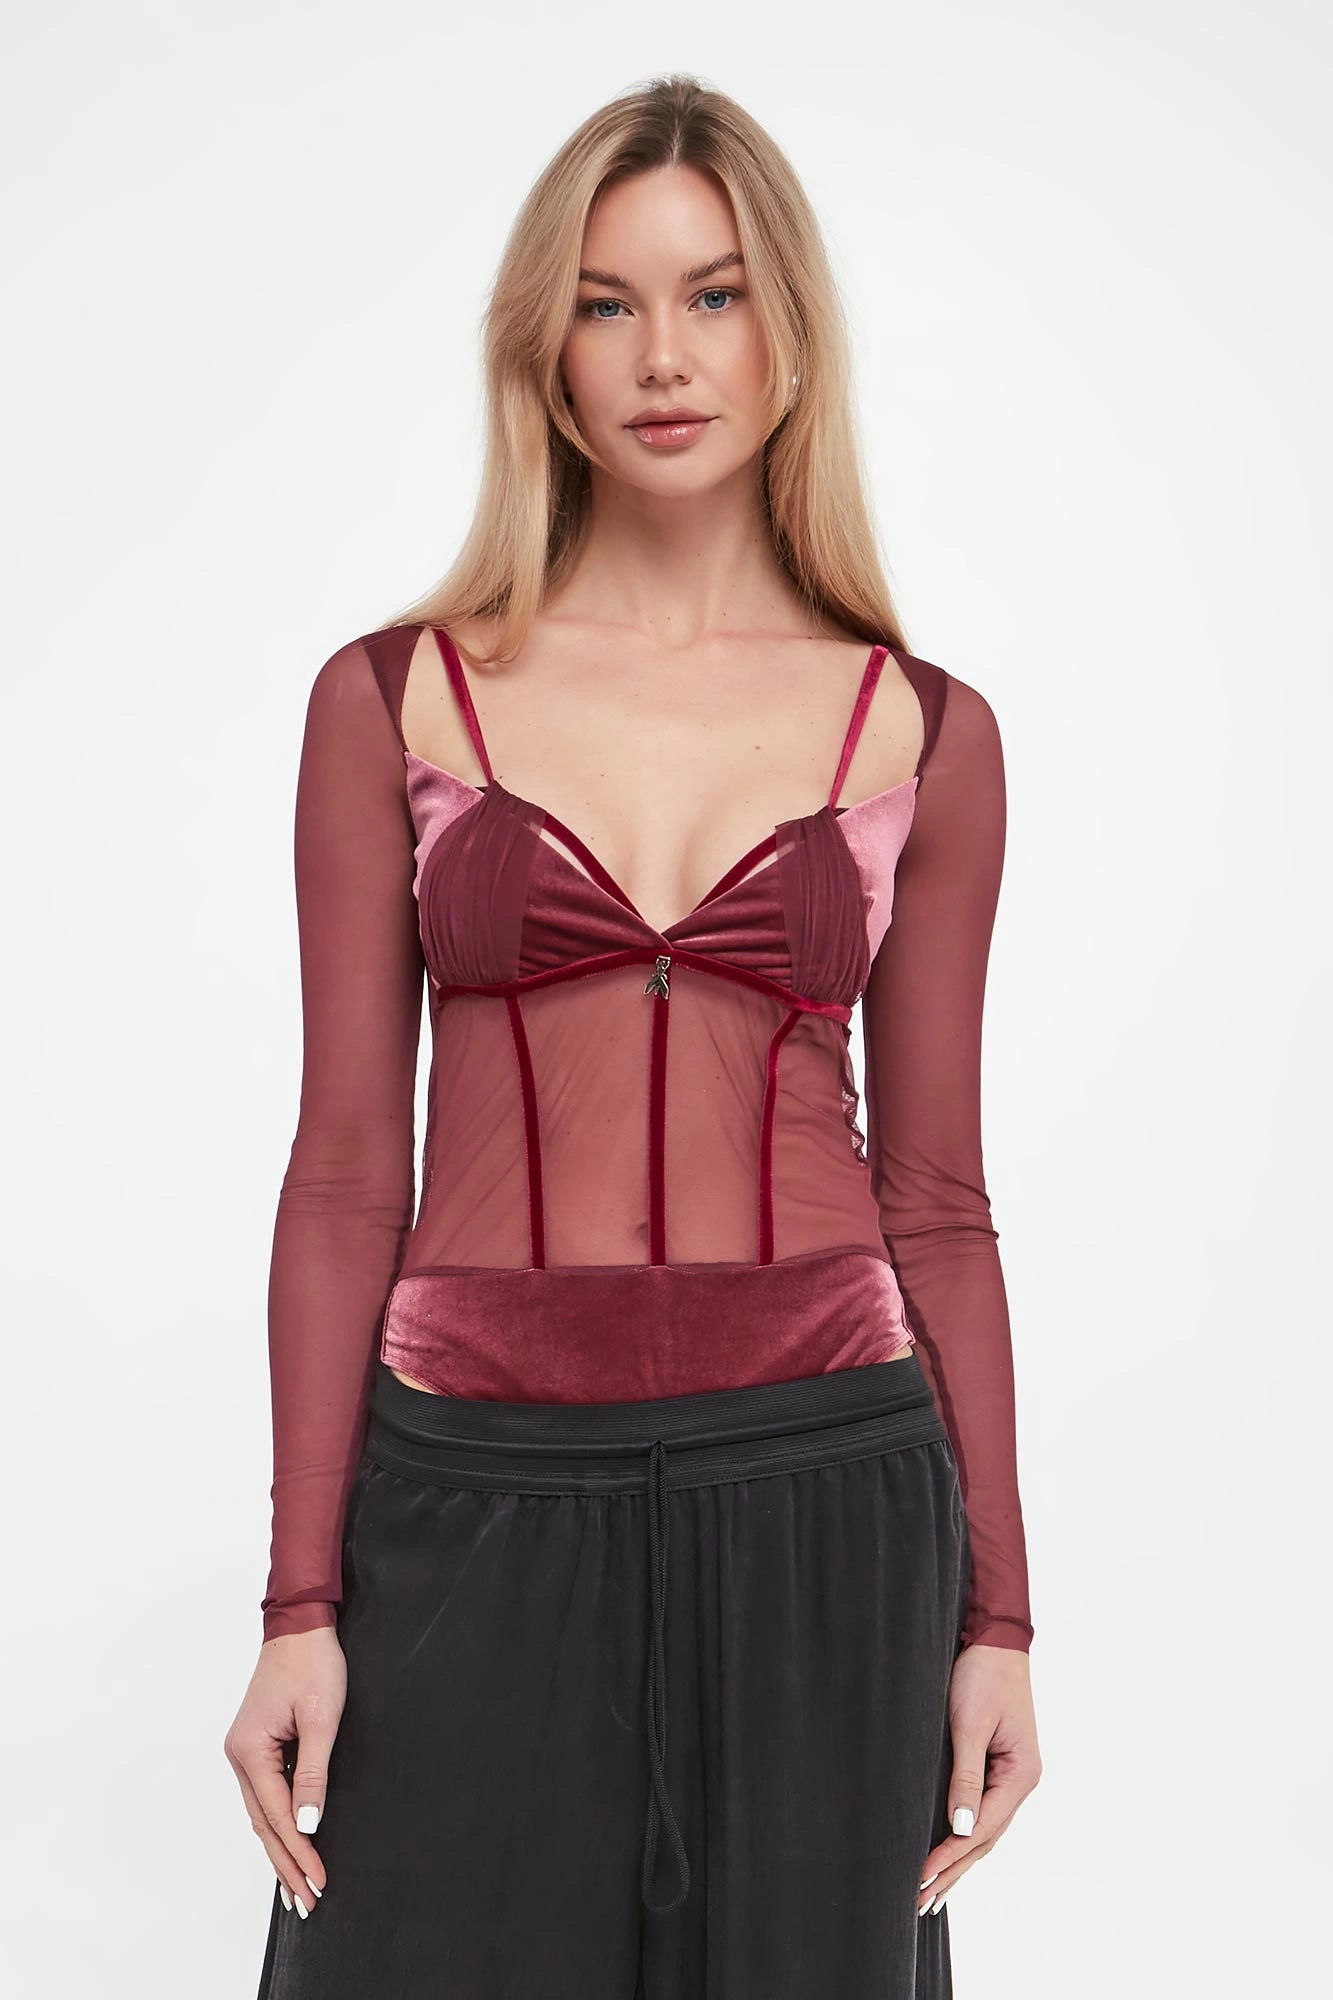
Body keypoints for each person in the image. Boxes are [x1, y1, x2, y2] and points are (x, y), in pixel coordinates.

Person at [225, 72, 1041, 1999]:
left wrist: (1001, 1618)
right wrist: (300, 1599)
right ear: (548, 351)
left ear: (788, 334)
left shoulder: (924, 729)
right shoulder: (392, 699)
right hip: (469, 1486)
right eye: (607, 302)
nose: (664, 355)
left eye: (714, 293)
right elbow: (346, 1174)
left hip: (829, 1489)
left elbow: (938, 1198)